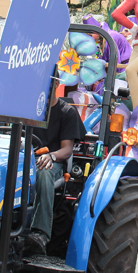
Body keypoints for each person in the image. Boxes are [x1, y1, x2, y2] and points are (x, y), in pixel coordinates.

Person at [24, 87, 85, 255]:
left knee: (43, 171)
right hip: (25, 158)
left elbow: (67, 150)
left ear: (55, 83)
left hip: (53, 161)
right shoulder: (28, 109)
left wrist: (50, 156)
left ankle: (40, 233)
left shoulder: (66, 112)